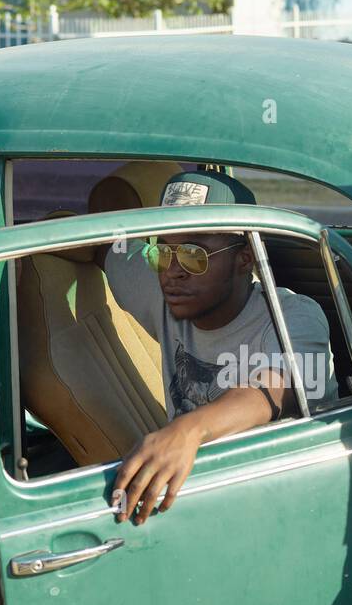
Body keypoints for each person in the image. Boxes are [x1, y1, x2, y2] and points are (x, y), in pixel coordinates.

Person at [91, 168, 337, 524]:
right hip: (192, 498)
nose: (172, 271)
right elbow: (106, 233)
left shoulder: (293, 317)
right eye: (162, 252)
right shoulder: (160, 288)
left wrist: (189, 430)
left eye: (194, 255)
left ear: (245, 258)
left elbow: (272, 387)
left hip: (288, 502)